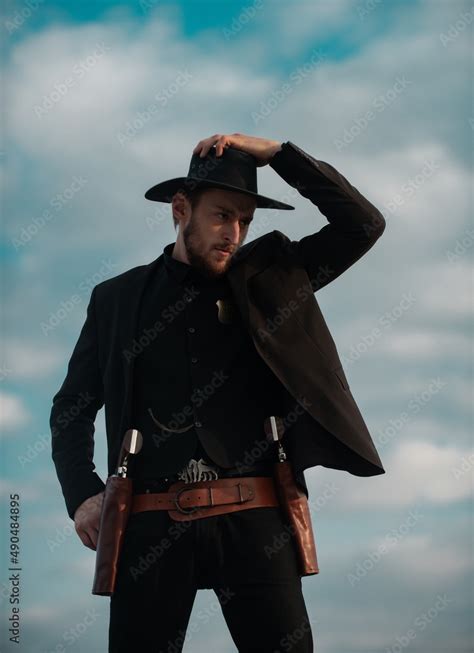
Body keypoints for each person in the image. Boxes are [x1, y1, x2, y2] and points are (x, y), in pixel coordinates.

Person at [50, 133, 386, 652]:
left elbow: (363, 224)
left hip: (256, 517)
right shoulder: (115, 299)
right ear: (180, 209)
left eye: (245, 221)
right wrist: (82, 494)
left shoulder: (272, 280)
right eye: (222, 216)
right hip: (147, 524)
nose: (234, 233)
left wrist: (278, 154)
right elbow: (71, 408)